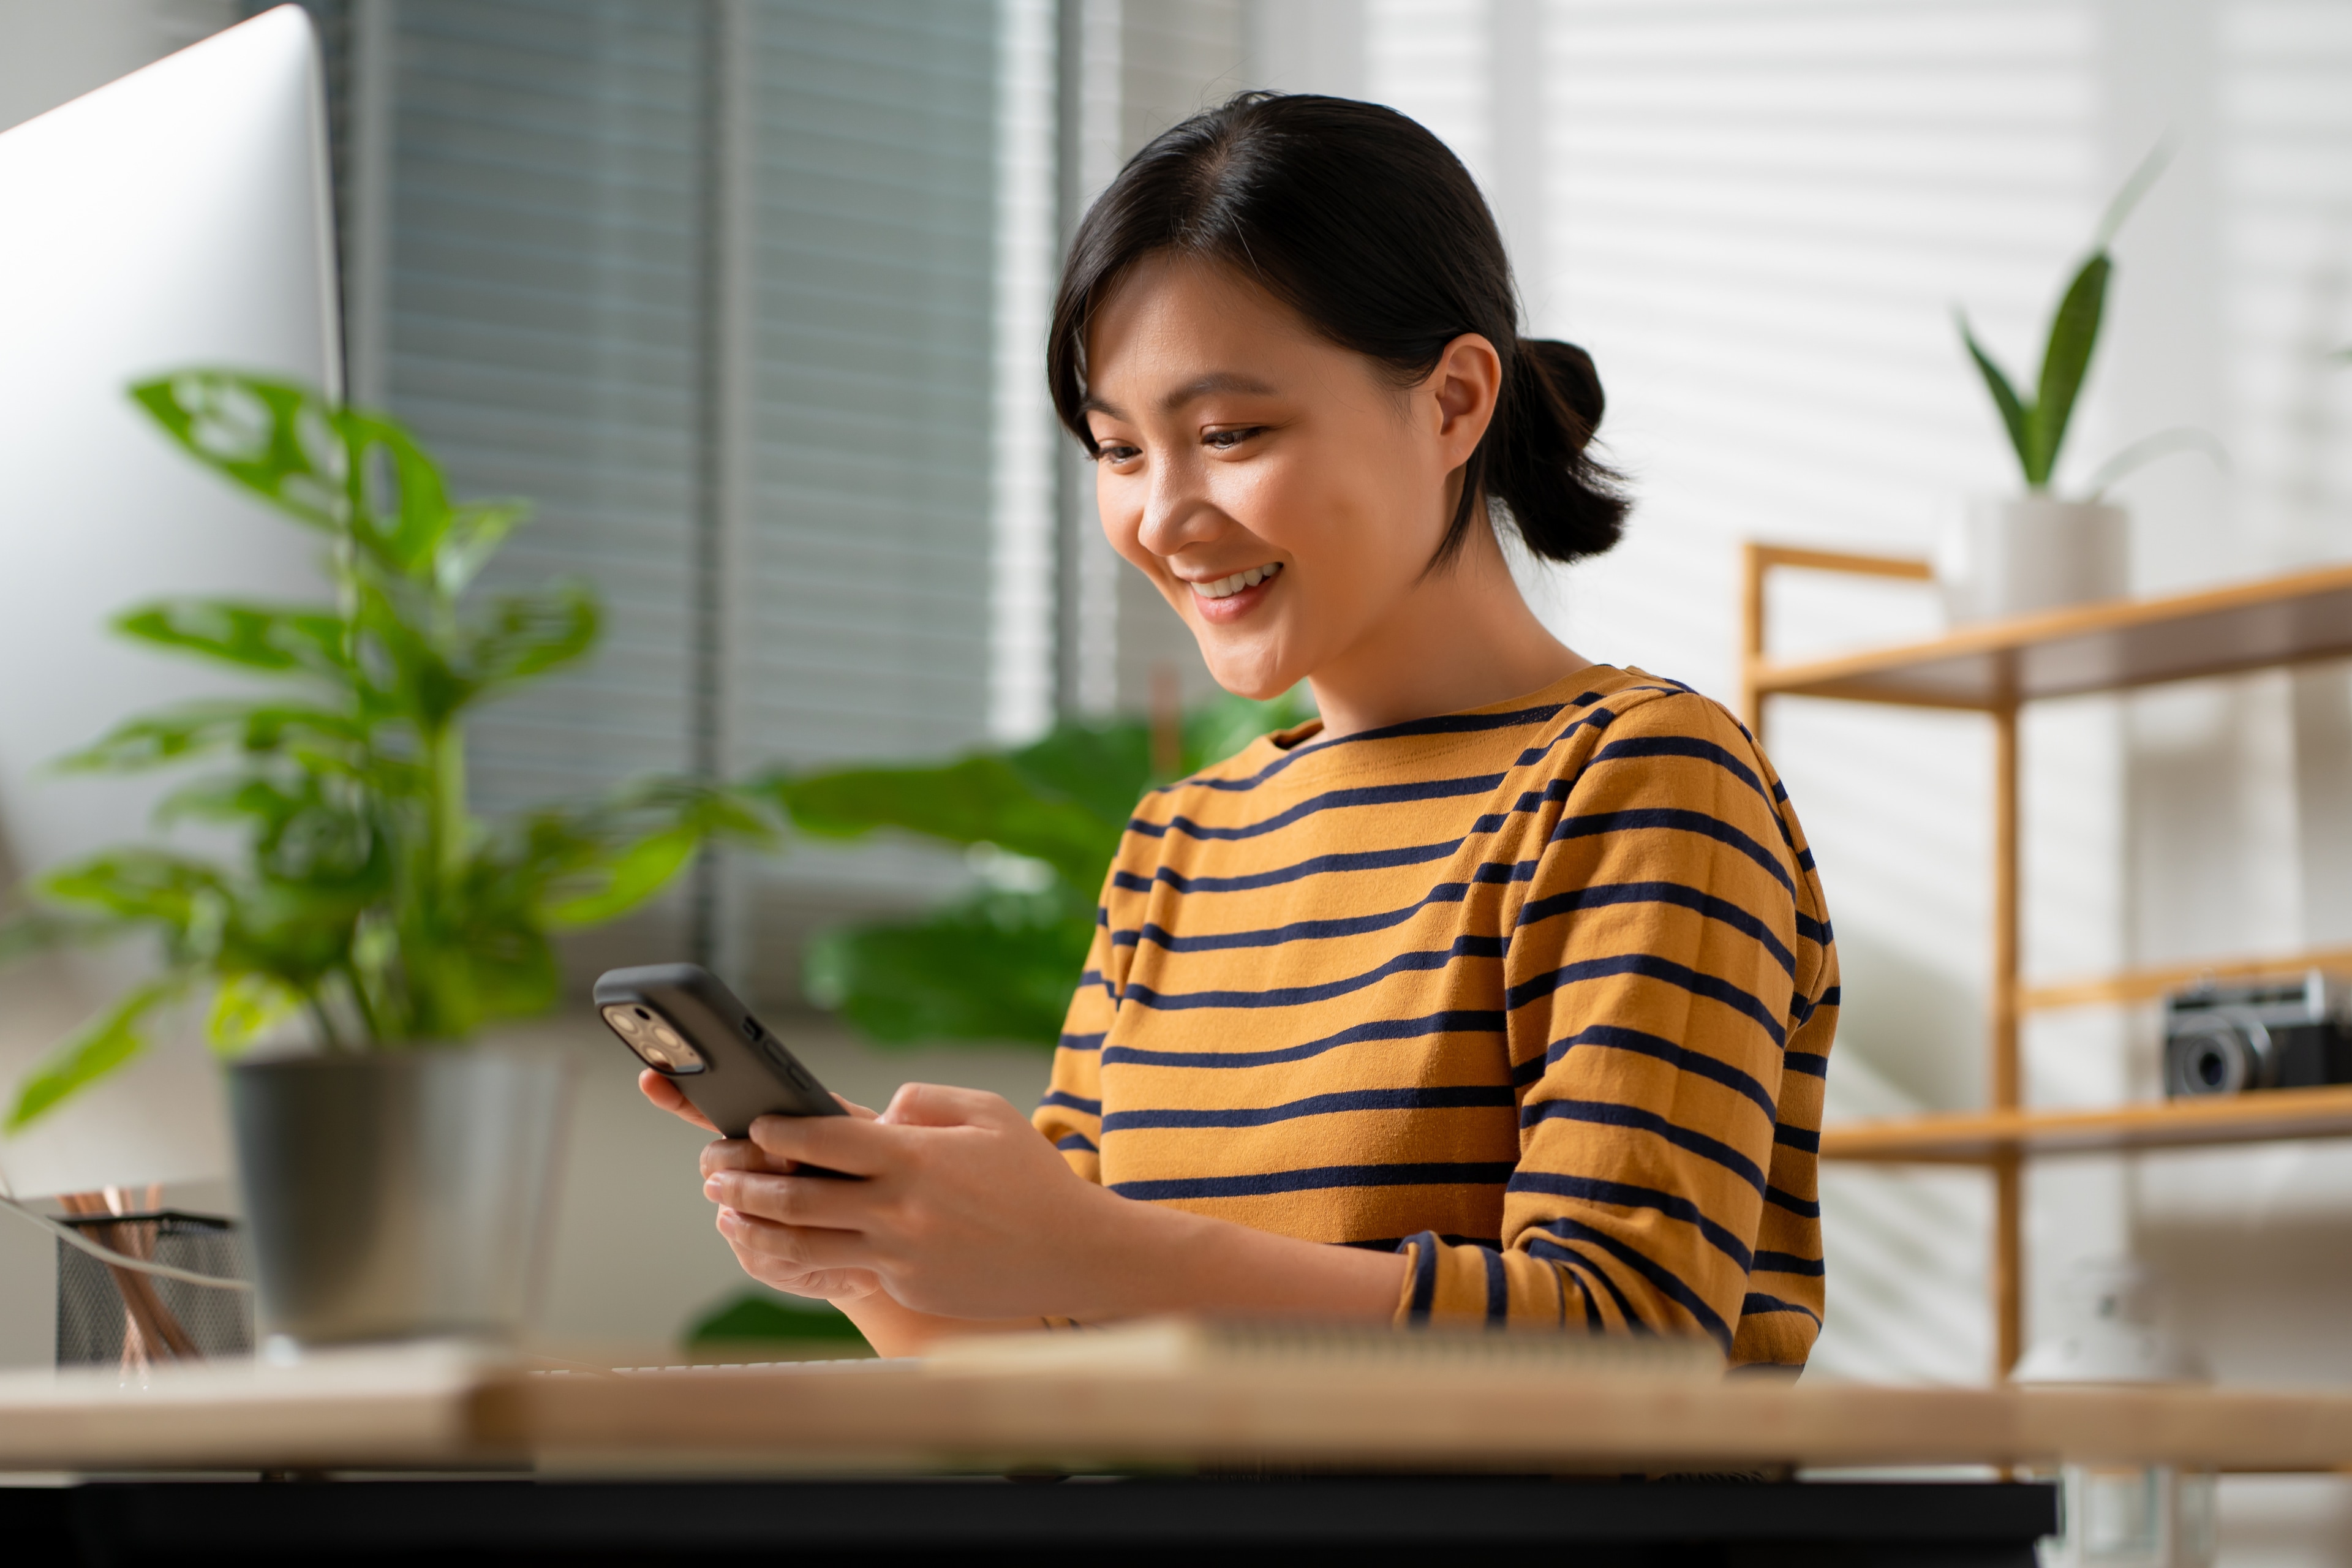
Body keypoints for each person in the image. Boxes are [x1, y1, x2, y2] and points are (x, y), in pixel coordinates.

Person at [641, 92, 1838, 1368]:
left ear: (1453, 403)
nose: (1164, 516)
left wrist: (1089, 1247)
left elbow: (1631, 1343)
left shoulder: (1639, 781)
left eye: (1228, 434)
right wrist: (873, 1263)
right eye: (1118, 451)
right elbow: (1062, 1378)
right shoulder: (1183, 839)